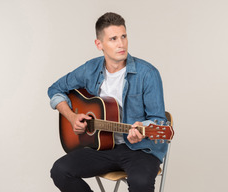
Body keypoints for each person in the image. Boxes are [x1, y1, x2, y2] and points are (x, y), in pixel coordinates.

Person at [48, 12, 168, 192]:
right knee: (60, 170)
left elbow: (158, 120)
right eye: (113, 39)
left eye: (123, 36)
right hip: (103, 147)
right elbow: (54, 89)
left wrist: (142, 131)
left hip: (141, 150)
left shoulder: (148, 74)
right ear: (99, 44)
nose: (121, 44)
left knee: (141, 184)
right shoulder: (91, 69)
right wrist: (72, 117)